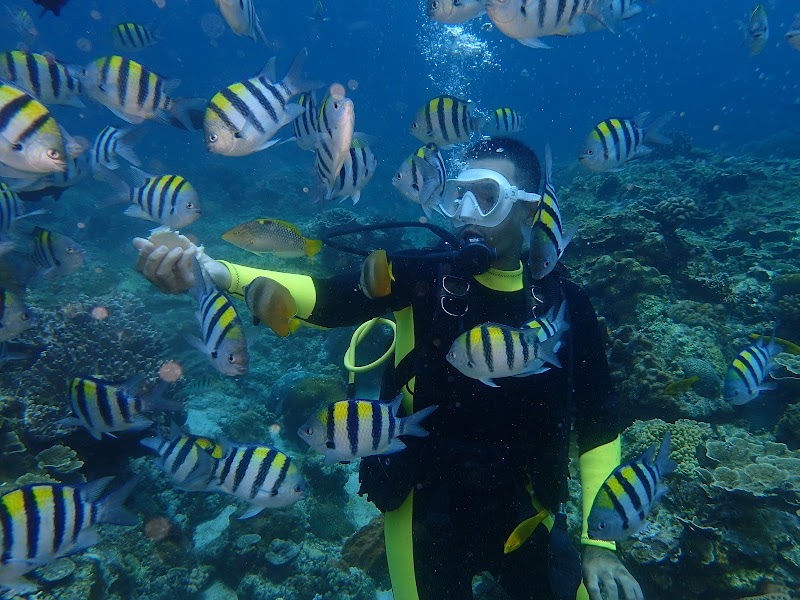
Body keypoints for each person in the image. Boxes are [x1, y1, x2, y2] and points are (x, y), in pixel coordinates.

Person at [133, 137, 644, 600]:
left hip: (529, 508)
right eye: (458, 196)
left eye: (487, 199)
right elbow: (324, 298)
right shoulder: (423, 276)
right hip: (422, 506)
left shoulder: (566, 304)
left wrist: (600, 544)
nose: (467, 214)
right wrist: (216, 271)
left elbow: (599, 423)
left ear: (530, 212)